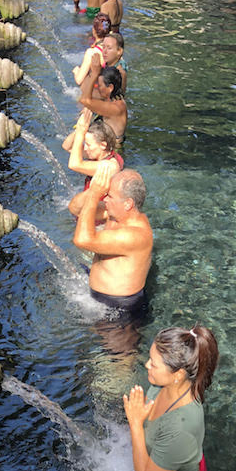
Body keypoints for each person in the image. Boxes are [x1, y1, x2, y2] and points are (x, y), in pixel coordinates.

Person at [123, 325, 217, 471]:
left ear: (178, 374)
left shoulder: (182, 428)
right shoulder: (166, 385)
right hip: (172, 453)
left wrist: (135, 424)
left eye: (154, 364)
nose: (146, 365)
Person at [72, 161, 152, 311]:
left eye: (109, 195)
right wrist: (92, 191)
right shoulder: (115, 213)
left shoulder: (135, 235)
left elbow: (82, 240)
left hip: (119, 308)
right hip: (100, 297)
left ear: (128, 204)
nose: (105, 199)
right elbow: (75, 209)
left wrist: (95, 194)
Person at [68, 108, 123, 207]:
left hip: (98, 218)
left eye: (88, 144)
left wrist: (81, 132)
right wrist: (79, 129)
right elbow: (67, 146)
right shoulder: (100, 154)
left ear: (103, 145)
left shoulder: (109, 166)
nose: (84, 148)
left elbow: (74, 164)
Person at [79, 65, 127, 147]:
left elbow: (84, 100)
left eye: (100, 85)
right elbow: (84, 92)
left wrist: (94, 74)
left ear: (110, 87)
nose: (97, 88)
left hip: (112, 152)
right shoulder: (113, 98)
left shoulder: (115, 108)